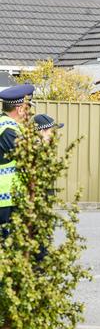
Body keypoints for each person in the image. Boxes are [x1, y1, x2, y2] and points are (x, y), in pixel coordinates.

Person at [0, 84, 34, 232]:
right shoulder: (9, 130)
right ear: (19, 109)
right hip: (7, 199)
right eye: (28, 108)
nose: (29, 112)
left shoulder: (5, 125)